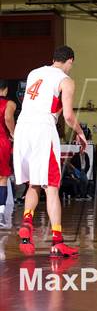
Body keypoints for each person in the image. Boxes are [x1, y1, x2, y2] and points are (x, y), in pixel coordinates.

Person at [13, 45, 87, 257]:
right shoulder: (66, 80)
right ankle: (58, 241)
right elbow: (68, 116)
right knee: (52, 187)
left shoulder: (34, 73)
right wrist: (81, 133)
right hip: (42, 129)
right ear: (70, 61)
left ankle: (27, 222)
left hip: (22, 127)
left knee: (34, 184)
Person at [0, 80, 16, 228]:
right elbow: (8, 118)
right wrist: (13, 132)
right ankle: (0, 214)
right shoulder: (9, 104)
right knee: (2, 179)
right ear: (4, 90)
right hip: (1, 142)